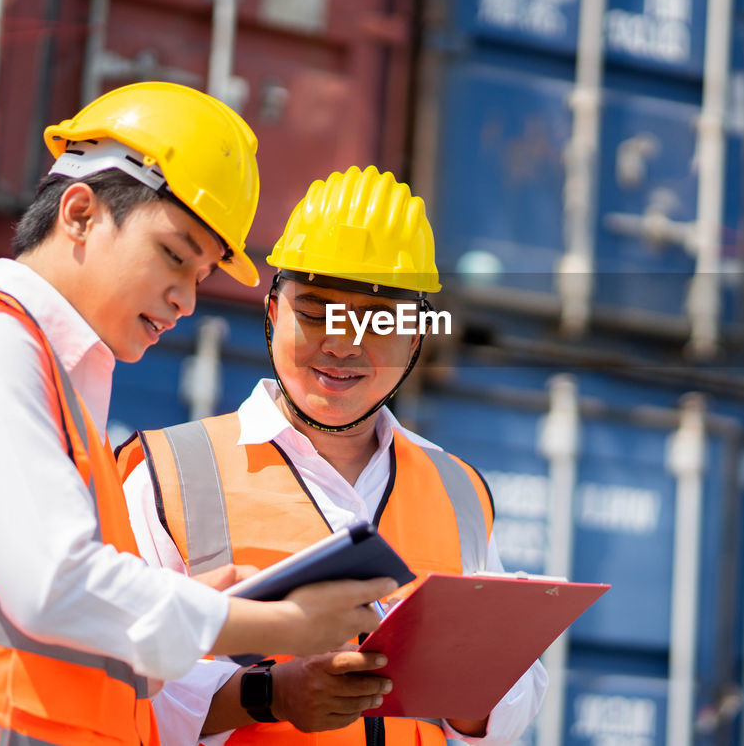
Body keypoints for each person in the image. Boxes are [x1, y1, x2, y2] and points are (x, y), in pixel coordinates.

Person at [0, 84, 394, 745]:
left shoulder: (64, 393)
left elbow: (73, 642)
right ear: (78, 212)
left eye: (202, 274)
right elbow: (57, 585)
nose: (186, 300)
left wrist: (201, 610)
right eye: (174, 255)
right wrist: (271, 625)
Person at [118, 165, 547, 745]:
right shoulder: (168, 473)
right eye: (316, 312)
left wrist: (477, 697)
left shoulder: (458, 490)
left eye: (377, 320)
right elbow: (114, 686)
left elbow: (505, 716)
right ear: (273, 314)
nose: (343, 343)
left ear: (417, 336)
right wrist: (268, 696)